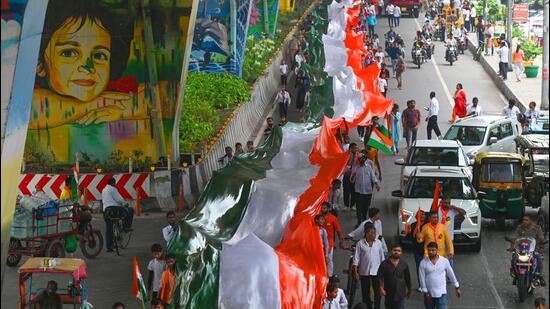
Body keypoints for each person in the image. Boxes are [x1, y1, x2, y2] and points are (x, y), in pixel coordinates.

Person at [419, 242, 461, 309]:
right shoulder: (423, 263)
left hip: (441, 293)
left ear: (437, 250)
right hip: (429, 294)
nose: (430, 252)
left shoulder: (444, 261)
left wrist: (457, 287)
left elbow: (451, 274)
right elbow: (421, 278)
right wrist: (425, 292)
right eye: (429, 250)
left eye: (433, 250)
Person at [353, 224, 385, 309]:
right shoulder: (360, 244)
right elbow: (356, 258)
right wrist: (355, 272)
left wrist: (383, 272)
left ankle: (377, 307)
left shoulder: (378, 243)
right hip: (364, 272)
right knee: (365, 292)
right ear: (366, 234)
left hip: (376, 272)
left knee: (377, 292)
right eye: (372, 233)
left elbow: (382, 258)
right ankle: (367, 307)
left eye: (374, 233)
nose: (374, 235)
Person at [512, 214, 546, 286]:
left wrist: (541, 246)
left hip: (533, 249)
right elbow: (515, 238)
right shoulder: (519, 228)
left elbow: (541, 238)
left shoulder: (537, 228)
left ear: (531, 221)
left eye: (526, 220)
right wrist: (513, 246)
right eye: (523, 220)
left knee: (539, 259)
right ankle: (515, 274)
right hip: (521, 249)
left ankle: (539, 275)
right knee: (514, 258)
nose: (524, 221)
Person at [102, 177, 134, 252]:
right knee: (130, 210)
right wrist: (125, 203)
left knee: (109, 229)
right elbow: (119, 199)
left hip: (106, 211)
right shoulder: (113, 189)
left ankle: (109, 247)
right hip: (114, 209)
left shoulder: (104, 190)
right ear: (113, 183)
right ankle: (126, 227)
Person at [378, 244, 412, 309]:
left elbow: (408, 278)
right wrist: (381, 288)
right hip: (389, 293)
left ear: (401, 253)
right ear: (391, 251)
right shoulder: (384, 264)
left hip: (400, 293)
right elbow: (380, 276)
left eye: (399, 251)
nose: (396, 252)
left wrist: (409, 290)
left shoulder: (404, 264)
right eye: (395, 250)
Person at [352, 155, 380, 227]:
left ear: (365, 159)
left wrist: (377, 184)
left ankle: (364, 222)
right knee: (359, 208)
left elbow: (373, 177)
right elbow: (352, 180)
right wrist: (353, 175)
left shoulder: (369, 167)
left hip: (368, 191)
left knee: (365, 208)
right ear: (358, 159)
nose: (362, 159)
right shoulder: (355, 167)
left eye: (363, 158)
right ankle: (359, 222)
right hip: (358, 191)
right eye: (360, 158)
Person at [438, 197, 466, 267]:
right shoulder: (437, 209)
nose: (447, 204)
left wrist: (454, 207)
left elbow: (464, 212)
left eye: (448, 203)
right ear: (441, 202)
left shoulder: (452, 210)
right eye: (445, 203)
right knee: (439, 256)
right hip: (438, 237)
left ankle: (450, 273)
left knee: (449, 256)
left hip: (449, 237)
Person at [321, 202, 346, 277]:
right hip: (319, 243)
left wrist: (341, 242)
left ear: (328, 209)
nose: (322, 209)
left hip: (329, 244)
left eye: (324, 208)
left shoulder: (333, 219)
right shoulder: (318, 218)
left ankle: (329, 276)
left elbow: (338, 231)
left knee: (329, 259)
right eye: (322, 208)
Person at [409, 210, 427, 289]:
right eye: (420, 214)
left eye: (423, 214)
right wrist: (409, 232)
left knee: (427, 268)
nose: (422, 216)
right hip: (417, 251)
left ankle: (428, 284)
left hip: (427, 250)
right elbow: (409, 238)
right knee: (419, 268)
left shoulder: (428, 225)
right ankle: (421, 285)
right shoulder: (413, 225)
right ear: (416, 217)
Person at [343, 143, 360, 211]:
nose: (356, 149)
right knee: (346, 191)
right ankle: (346, 205)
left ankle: (352, 205)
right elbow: (344, 164)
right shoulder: (346, 155)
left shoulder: (357, 155)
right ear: (351, 148)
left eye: (356, 148)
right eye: (355, 148)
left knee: (353, 191)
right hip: (347, 175)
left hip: (354, 176)